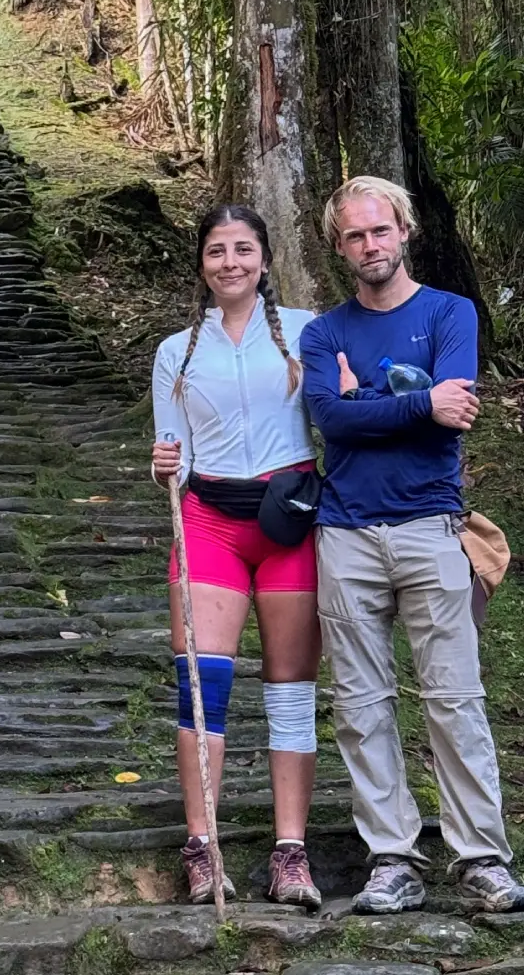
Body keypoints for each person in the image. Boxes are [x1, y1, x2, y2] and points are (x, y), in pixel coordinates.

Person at [301, 176, 524, 915]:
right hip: (346, 531)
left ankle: (481, 856)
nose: (371, 245)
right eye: (356, 236)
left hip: (432, 526)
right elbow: (331, 420)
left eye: (381, 230)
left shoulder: (449, 311)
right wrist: (413, 399)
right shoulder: (324, 331)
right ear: (340, 247)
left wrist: (374, 400)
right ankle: (391, 856)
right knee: (361, 703)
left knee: (454, 698)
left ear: (405, 231)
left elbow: (452, 411)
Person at [151, 205, 323, 909]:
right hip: (209, 521)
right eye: (217, 251)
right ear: (201, 263)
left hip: (290, 519)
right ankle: (203, 845)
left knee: (290, 689)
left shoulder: (310, 332)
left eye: (243, 249)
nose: (231, 262)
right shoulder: (177, 350)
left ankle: (291, 851)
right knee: (202, 686)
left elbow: (335, 419)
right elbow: (172, 453)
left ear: (265, 258)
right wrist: (162, 463)